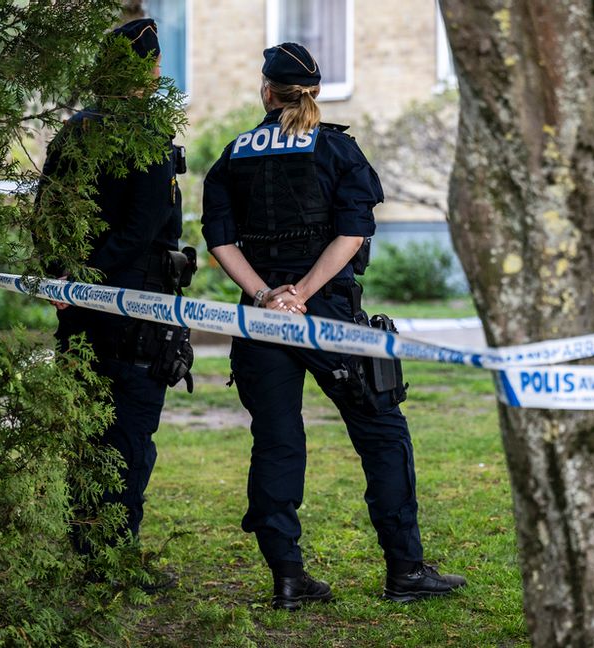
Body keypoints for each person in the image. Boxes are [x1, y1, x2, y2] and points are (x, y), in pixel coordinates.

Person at [201, 42, 466, 609]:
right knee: (382, 430)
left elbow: (219, 240)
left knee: (276, 441)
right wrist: (303, 294)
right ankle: (405, 571)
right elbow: (353, 232)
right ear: (314, 93)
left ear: (267, 92)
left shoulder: (234, 154)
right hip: (329, 315)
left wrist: (268, 296)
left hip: (261, 317)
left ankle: (288, 579)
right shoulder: (337, 148)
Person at [37, 18, 190, 578]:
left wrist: (63, 278)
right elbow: (142, 231)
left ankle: (87, 548)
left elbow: (46, 214)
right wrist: (87, 279)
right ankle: (115, 557)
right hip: (133, 309)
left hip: (78, 308)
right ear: (147, 72)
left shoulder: (73, 132)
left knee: (87, 427)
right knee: (128, 433)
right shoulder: (145, 136)